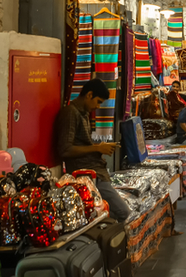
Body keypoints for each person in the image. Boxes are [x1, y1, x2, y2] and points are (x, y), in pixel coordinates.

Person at [55, 79, 131, 222]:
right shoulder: (71, 113)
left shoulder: (83, 114)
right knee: (123, 212)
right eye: (98, 101)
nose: (97, 106)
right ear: (89, 95)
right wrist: (97, 148)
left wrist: (99, 149)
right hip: (88, 175)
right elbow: (65, 149)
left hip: (97, 174)